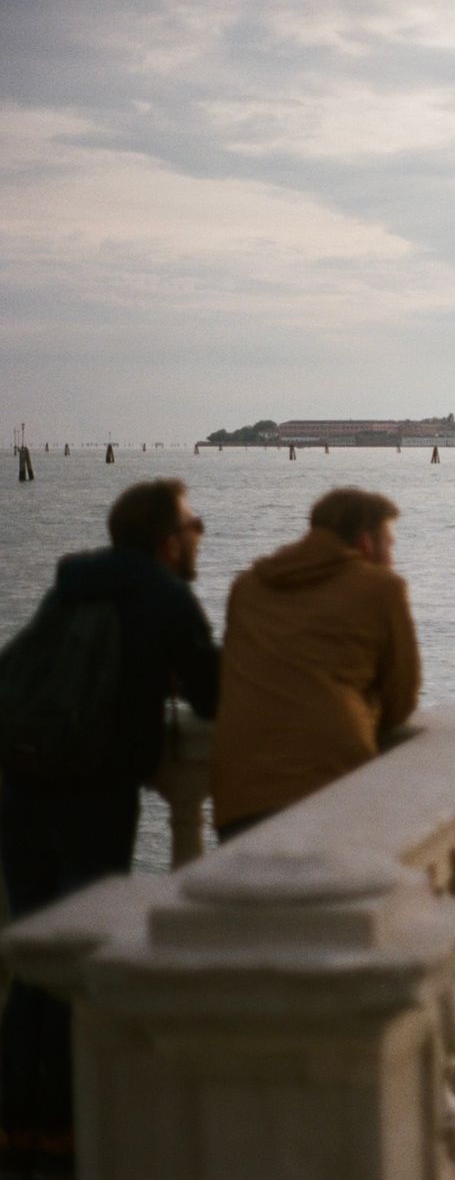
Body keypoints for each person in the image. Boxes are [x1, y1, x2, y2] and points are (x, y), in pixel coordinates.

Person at [1, 478, 220, 1180]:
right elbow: (213, 695)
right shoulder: (164, 596)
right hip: (92, 795)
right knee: (77, 961)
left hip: (21, 787)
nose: (199, 536)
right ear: (167, 539)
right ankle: (66, 1137)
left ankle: (16, 1134)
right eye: (193, 525)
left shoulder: (73, 585)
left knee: (33, 963)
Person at [211, 488, 421, 841]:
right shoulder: (383, 588)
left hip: (239, 796)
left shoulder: (247, 587)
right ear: (366, 543)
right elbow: (400, 700)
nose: (393, 557)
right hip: (331, 789)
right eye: (390, 543)